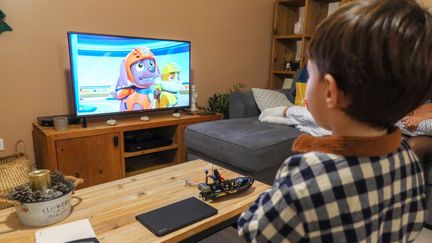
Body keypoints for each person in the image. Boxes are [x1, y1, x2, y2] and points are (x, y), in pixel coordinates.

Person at [238, 0, 432, 242]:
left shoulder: (309, 171)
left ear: (330, 91)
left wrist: (261, 203)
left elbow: (257, 233)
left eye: (310, 74)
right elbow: (411, 225)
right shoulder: (408, 158)